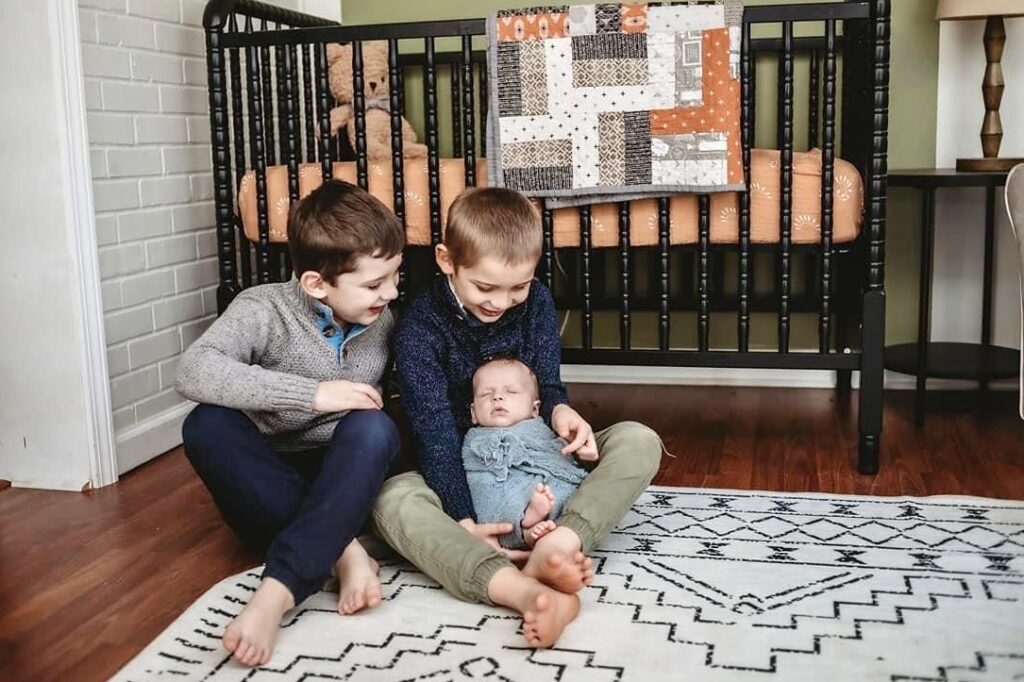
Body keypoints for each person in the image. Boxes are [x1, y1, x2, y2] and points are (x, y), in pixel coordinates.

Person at [373, 187, 662, 648]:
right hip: (464, 468)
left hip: (542, 458)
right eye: (485, 287)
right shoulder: (420, 330)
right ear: (447, 260)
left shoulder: (537, 302)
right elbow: (435, 434)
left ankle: (561, 542)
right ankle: (515, 585)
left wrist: (562, 412)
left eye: (519, 286)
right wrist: (463, 521)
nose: (502, 303)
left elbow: (547, 385)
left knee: (638, 440)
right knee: (391, 500)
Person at [176, 180, 404, 667]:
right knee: (205, 425)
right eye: (373, 283)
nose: (391, 291)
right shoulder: (263, 308)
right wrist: (312, 394)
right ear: (317, 284)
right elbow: (194, 370)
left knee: (375, 429)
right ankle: (343, 550)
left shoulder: (383, 319)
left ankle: (275, 594)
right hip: (267, 488)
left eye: (395, 275)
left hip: (343, 482)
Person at [464, 357, 586, 549]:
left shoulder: (539, 431)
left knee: (561, 489)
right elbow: (474, 474)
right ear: (473, 413)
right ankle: (525, 527)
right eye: (486, 394)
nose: (497, 397)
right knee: (483, 492)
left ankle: (539, 523)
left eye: (511, 391)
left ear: (535, 408)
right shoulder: (474, 441)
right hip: (497, 503)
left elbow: (556, 460)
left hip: (541, 490)